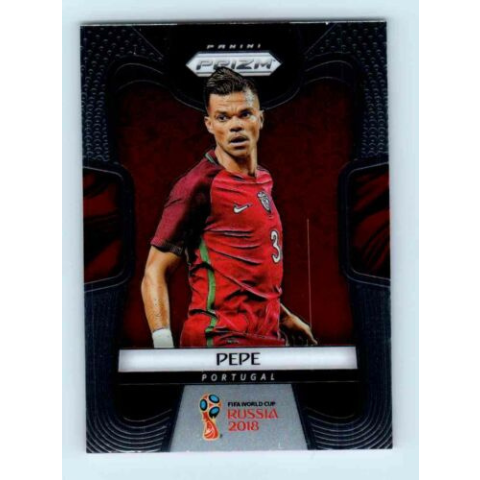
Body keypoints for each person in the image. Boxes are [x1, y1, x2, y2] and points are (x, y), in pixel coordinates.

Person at [141, 67, 317, 348]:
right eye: (223, 117)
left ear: (260, 118)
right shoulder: (198, 186)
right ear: (209, 124)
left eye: (245, 114)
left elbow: (245, 273)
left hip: (267, 340)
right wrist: (164, 352)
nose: (235, 126)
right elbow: (154, 271)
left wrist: (283, 318)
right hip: (218, 342)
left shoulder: (263, 179)